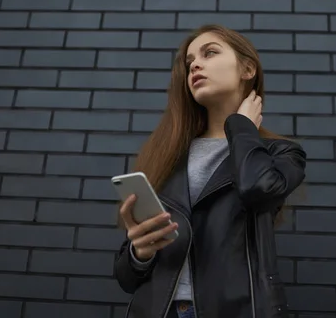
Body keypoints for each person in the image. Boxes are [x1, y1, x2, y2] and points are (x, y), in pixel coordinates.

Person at [115, 24, 307, 318]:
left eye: (210, 53)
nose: (196, 66)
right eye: (190, 62)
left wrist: (241, 127)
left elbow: (257, 188)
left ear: (247, 69)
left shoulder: (280, 153)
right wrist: (139, 253)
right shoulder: (166, 155)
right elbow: (127, 280)